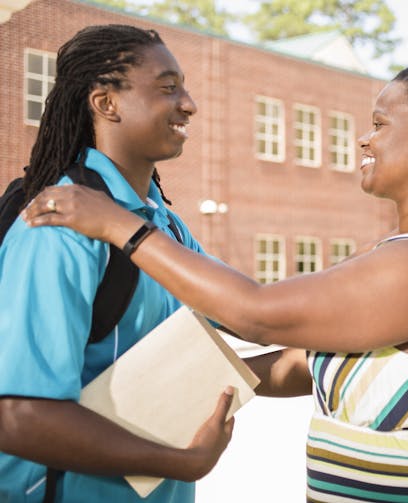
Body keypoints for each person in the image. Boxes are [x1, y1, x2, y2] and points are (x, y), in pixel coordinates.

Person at [24, 65, 408, 502]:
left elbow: (259, 314)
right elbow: (302, 363)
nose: (365, 138)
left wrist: (118, 225)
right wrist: (165, 387)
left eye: (379, 124)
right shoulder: (407, 253)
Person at [0, 25, 235, 502]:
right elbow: (21, 417)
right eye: (168, 88)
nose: (188, 104)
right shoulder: (59, 223)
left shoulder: (162, 226)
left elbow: (244, 313)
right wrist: (182, 463)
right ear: (106, 103)